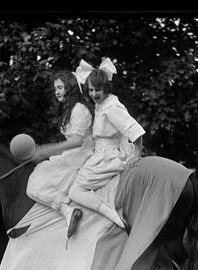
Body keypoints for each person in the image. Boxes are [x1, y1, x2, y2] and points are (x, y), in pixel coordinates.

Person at [67, 58, 145, 236]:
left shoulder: (111, 107)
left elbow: (134, 130)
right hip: (101, 154)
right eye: (91, 90)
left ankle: (113, 215)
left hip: (108, 157)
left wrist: (137, 155)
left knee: (75, 191)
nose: (94, 94)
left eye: (98, 90)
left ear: (106, 88)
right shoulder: (101, 104)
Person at [25, 69, 94, 232]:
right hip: (72, 156)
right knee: (33, 184)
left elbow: (77, 141)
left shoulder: (79, 109)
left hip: (81, 158)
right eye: (56, 88)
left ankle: (68, 210)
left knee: (35, 185)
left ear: (69, 88)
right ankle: (67, 210)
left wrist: (48, 149)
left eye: (60, 87)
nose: (57, 92)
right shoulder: (70, 110)